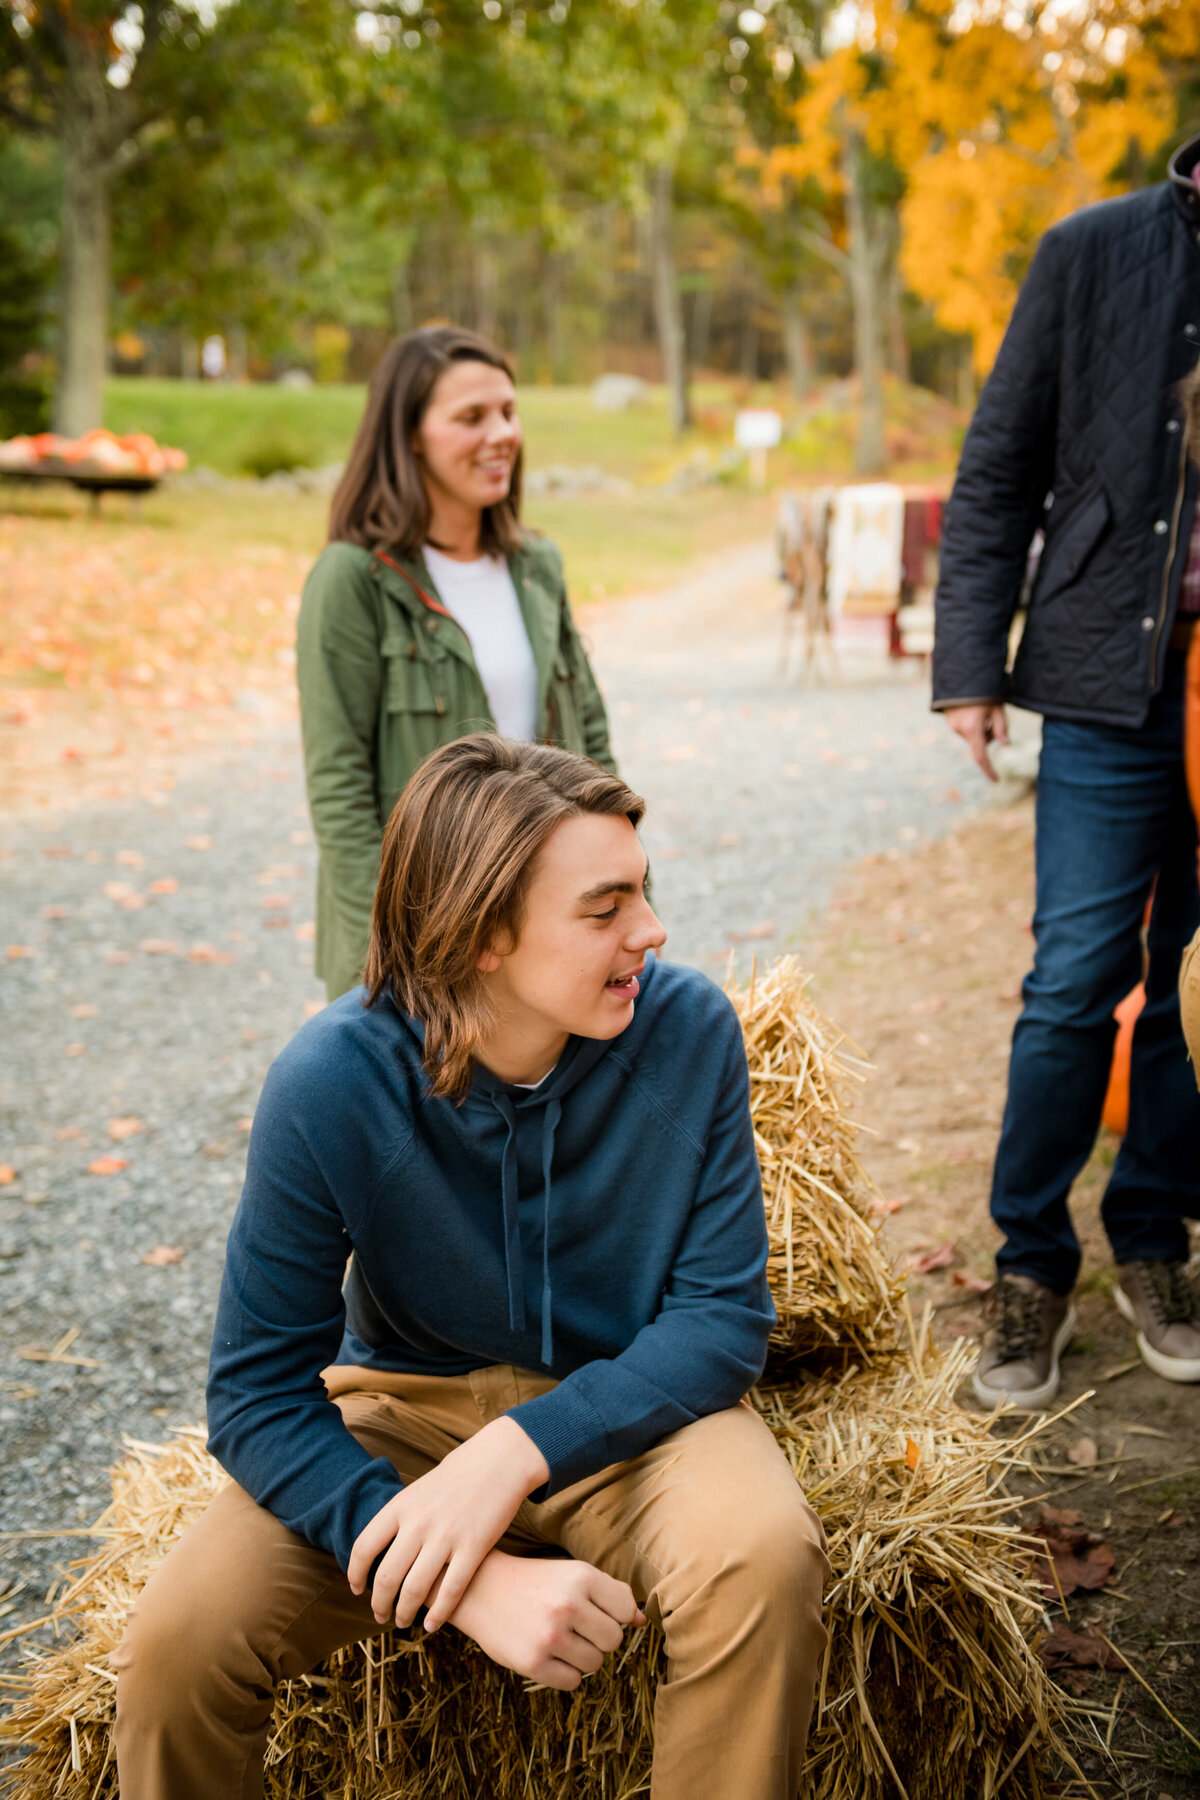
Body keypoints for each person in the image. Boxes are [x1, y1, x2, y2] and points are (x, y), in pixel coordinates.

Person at [112, 735, 829, 1800]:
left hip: (636, 1415)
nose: (653, 929)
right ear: (484, 933)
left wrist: (510, 1457)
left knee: (765, 1558)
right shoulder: (331, 1081)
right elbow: (256, 1394)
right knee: (175, 1647)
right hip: (401, 1416)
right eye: (606, 908)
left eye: (645, 890)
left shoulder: (690, 1032)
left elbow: (721, 1319)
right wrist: (470, 1581)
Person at [934, 129, 1200, 1408]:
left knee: (1198, 980)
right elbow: (997, 471)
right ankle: (1030, 1265)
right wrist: (971, 667)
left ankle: (1154, 1236)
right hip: (1105, 680)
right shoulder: (1090, 252)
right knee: (1075, 978)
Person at [298, 326, 616, 1001]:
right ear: (410, 433)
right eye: (471, 417)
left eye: (508, 411)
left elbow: (592, 740)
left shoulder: (537, 567)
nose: (501, 433)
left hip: (544, 918)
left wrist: (623, 897)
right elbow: (339, 789)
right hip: (426, 935)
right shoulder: (354, 578)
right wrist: (377, 965)